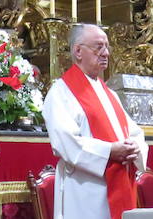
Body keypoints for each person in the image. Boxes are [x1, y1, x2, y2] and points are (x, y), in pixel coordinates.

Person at [43, 24, 147, 219]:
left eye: (107, 47)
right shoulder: (61, 92)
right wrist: (109, 151)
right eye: (98, 47)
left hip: (119, 183)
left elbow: (134, 132)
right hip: (85, 190)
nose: (106, 53)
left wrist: (134, 147)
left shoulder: (110, 94)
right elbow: (66, 143)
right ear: (78, 51)